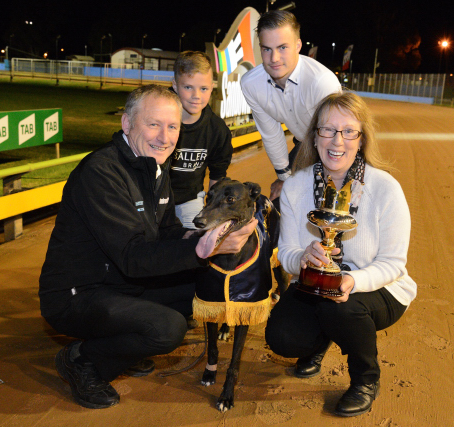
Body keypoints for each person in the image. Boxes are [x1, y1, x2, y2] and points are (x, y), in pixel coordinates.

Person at [39, 85, 256, 409]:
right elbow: (131, 257)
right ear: (127, 124)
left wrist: (205, 239)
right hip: (77, 294)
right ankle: (83, 360)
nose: (164, 136)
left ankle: (126, 346)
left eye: (172, 127)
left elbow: (167, 231)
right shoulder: (101, 173)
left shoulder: (154, 167)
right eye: (153, 124)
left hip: (121, 283)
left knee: (206, 290)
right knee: (167, 329)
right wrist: (200, 250)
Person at [265, 92, 416, 417]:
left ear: (361, 139)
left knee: (341, 308)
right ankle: (321, 342)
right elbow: (288, 253)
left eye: (349, 131)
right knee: (282, 338)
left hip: (379, 289)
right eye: (328, 130)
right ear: (315, 136)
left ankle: (365, 379)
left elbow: (393, 264)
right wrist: (304, 256)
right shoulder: (295, 187)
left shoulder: (385, 188)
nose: (337, 140)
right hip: (314, 285)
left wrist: (351, 280)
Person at [240, 10, 341, 202]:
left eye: (282, 47)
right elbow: (271, 133)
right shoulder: (251, 84)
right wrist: (284, 178)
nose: (274, 58)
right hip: (304, 143)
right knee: (283, 200)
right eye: (266, 49)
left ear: (298, 45)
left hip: (334, 146)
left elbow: (336, 139)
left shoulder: (322, 83)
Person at [170, 51, 233, 228]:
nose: (196, 95)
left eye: (203, 88)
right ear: (175, 85)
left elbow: (217, 176)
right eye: (188, 87)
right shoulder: (158, 118)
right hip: (151, 197)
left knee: (198, 242)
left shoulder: (217, 130)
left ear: (212, 87)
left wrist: (213, 213)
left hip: (189, 200)